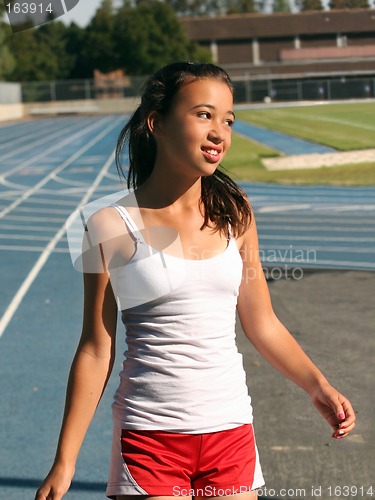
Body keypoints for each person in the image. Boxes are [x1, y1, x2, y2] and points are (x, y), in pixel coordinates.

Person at [35, 62, 356, 500]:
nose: (220, 133)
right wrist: (65, 461)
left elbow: (262, 322)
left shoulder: (235, 212)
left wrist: (317, 385)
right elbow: (96, 346)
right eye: (204, 114)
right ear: (157, 124)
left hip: (232, 432)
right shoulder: (108, 224)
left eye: (228, 120)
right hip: (151, 438)